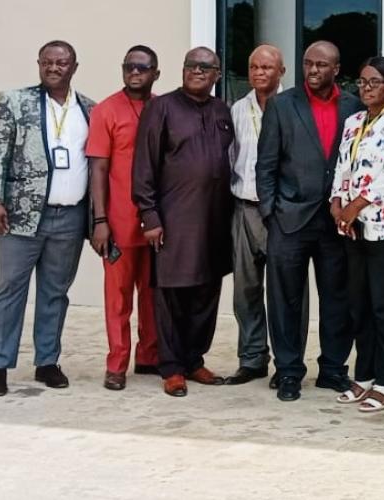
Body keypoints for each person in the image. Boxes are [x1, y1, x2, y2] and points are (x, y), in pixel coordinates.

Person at [0, 40, 95, 397]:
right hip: (20, 216)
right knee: (9, 289)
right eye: (47, 61)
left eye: (61, 62)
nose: (53, 67)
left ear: (74, 67)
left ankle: (47, 361)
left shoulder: (90, 109)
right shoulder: (13, 101)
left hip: (71, 217)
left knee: (55, 293)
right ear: (39, 64)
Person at [256, 41, 364, 402]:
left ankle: (333, 369)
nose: (313, 70)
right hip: (289, 219)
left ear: (336, 69)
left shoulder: (353, 105)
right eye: (308, 64)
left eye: (321, 65)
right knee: (285, 299)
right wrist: (270, 211)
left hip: (336, 221)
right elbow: (266, 164)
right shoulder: (282, 105)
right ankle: (288, 371)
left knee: (338, 298)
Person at [131, 47, 234, 397]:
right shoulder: (162, 108)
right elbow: (143, 166)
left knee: (206, 292)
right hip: (173, 221)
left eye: (205, 67)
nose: (197, 71)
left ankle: (194, 360)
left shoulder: (222, 111)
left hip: (215, 222)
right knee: (171, 295)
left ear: (217, 74)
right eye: (191, 65)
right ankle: (172, 367)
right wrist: (150, 217)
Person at [330, 56, 384, 412]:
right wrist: (337, 203)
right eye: (362, 82)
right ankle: (364, 375)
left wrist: (355, 207)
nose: (366, 88)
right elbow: (342, 166)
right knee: (360, 306)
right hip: (355, 229)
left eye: (374, 82)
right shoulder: (353, 122)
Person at [87, 45, 161, 391]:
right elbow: (98, 168)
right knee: (118, 298)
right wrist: (100, 220)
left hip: (157, 222)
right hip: (117, 221)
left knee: (152, 294)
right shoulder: (105, 110)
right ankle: (117, 364)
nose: (135, 72)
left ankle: (148, 356)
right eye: (129, 66)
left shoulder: (163, 107)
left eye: (142, 67)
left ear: (155, 74)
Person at [225, 44, 289, 387]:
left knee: (283, 293)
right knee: (245, 291)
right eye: (253, 67)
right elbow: (231, 158)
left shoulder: (293, 108)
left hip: (281, 214)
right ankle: (252, 359)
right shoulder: (237, 109)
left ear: (282, 72)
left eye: (267, 67)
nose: (259, 73)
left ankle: (286, 363)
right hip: (245, 210)